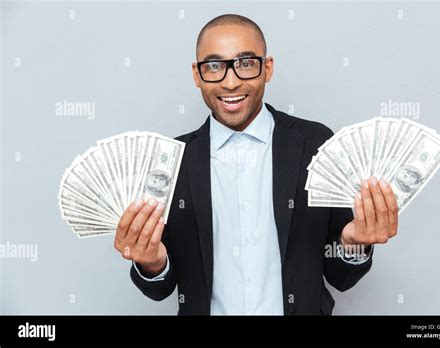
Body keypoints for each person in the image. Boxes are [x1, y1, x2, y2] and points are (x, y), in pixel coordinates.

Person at [113, 14, 399, 315]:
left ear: (267, 68)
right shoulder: (171, 160)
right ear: (197, 75)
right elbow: (160, 287)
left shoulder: (316, 144)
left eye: (246, 63)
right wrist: (151, 262)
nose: (231, 81)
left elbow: (341, 275)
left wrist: (354, 244)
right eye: (214, 66)